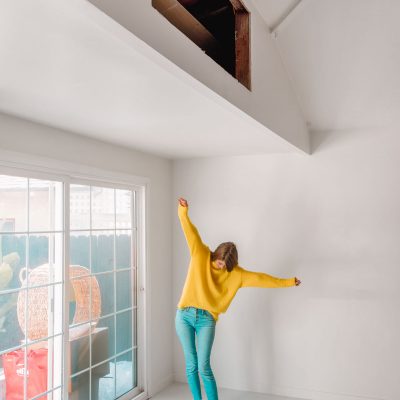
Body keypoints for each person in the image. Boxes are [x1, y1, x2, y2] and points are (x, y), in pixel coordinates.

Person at [175, 197, 301, 400]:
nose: (220, 267)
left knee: (204, 366)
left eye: (225, 265)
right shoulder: (200, 254)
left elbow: (261, 278)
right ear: (215, 254)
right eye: (218, 263)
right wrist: (183, 211)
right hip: (184, 316)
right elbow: (190, 231)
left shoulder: (237, 275)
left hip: (207, 319)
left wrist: (288, 281)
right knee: (191, 365)